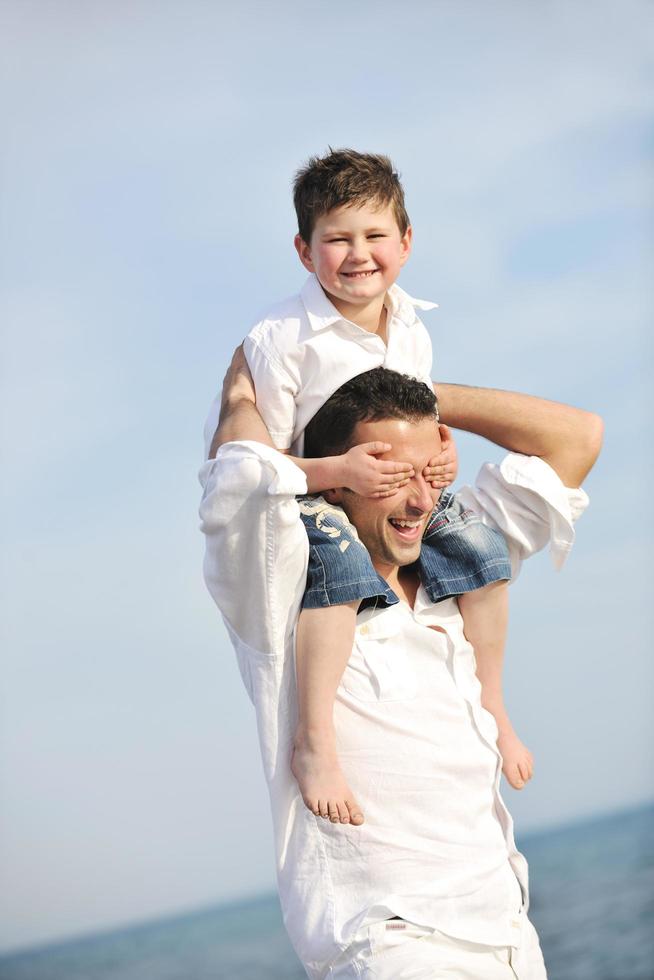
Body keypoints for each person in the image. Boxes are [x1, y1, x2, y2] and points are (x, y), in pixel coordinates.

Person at [199, 358, 602, 978]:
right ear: (336, 481)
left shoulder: (455, 563)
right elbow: (240, 476)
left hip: (510, 937)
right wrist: (240, 398)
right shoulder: (280, 589)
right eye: (390, 475)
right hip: (392, 945)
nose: (419, 501)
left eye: (426, 475)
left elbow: (576, 437)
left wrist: (424, 398)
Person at [203, 149, 530, 831]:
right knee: (342, 572)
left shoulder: (411, 324)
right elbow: (259, 461)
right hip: (314, 493)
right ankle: (315, 738)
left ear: (405, 243)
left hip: (393, 487)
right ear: (304, 250)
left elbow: (420, 415)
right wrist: (340, 474)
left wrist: (441, 452)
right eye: (337, 239)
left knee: (481, 553)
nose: (359, 255)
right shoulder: (281, 338)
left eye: (375, 236)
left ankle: (493, 703)